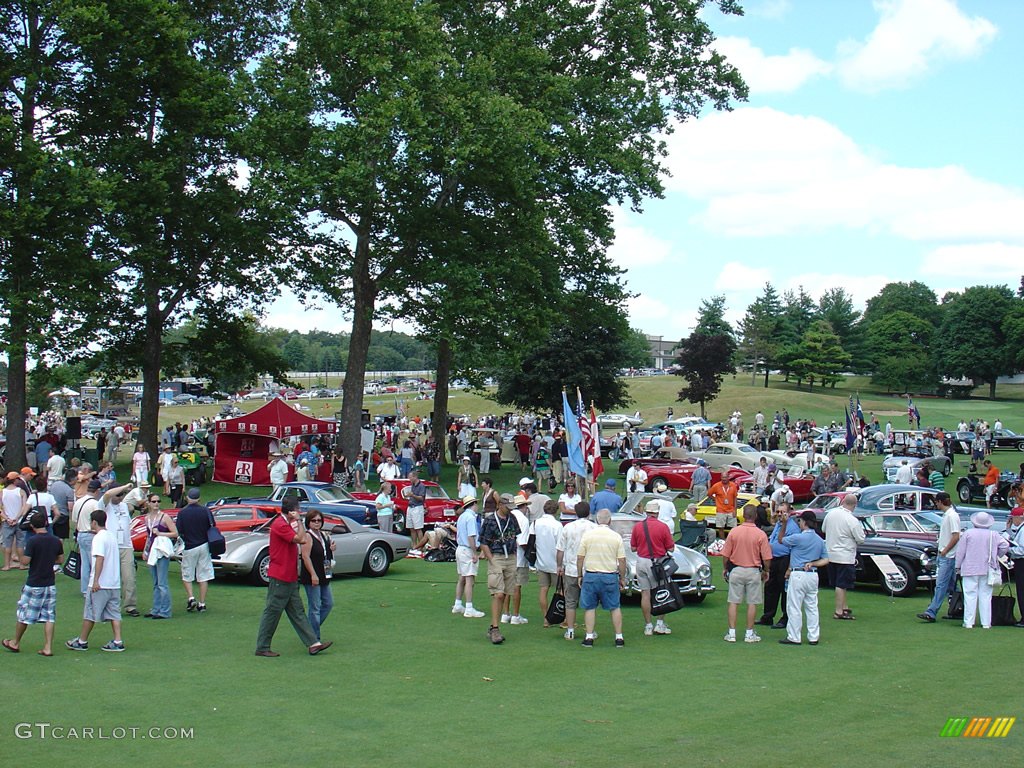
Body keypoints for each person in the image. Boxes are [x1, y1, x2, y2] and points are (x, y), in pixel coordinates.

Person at [255, 497, 332, 656]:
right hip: (280, 577)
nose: (299, 512)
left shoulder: (285, 524)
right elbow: (302, 539)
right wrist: (301, 522)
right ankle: (262, 647)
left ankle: (313, 643)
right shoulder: (280, 525)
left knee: (297, 612)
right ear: (291, 511)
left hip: (289, 577)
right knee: (272, 612)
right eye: (297, 510)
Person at [2, 512, 64, 656]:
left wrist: (22, 552)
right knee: (49, 616)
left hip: (34, 582)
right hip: (49, 583)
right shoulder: (55, 540)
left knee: (24, 613)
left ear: (32, 526)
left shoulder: (33, 541)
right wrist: (48, 560)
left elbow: (25, 561)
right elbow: (60, 560)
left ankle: (15, 642)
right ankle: (48, 647)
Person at [66, 508, 125, 652]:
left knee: (90, 613)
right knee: (114, 613)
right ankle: (118, 640)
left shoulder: (98, 538)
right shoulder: (111, 536)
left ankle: (82, 641)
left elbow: (100, 558)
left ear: (94, 522)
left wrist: (96, 581)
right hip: (114, 583)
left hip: (102, 583)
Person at [721, 505, 772, 643]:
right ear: (755, 516)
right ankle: (749, 633)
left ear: (743, 515)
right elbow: (767, 557)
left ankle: (732, 633)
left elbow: (726, 555)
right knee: (752, 602)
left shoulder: (734, 531)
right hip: (753, 570)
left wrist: (725, 568)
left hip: (736, 570)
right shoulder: (760, 534)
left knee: (733, 601)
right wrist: (766, 570)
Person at [576, 509, 627, 648]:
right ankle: (619, 637)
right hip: (609, 575)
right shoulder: (616, 536)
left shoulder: (588, 535)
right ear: (609, 521)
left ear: (597, 520)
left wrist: (579, 574)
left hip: (591, 574)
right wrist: (622, 578)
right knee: (615, 607)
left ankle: (589, 637)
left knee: (590, 607)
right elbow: (622, 560)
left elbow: (580, 557)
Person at [778, 510, 829, 646]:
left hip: (798, 574)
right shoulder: (819, 540)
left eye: (800, 521)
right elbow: (825, 559)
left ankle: (794, 636)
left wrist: (784, 524)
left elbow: (780, 540)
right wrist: (813, 563)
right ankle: (813, 636)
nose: (799, 523)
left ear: (805, 522)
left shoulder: (798, 538)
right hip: (813, 574)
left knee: (794, 606)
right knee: (812, 606)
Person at [955, 510, 1009, 629]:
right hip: (987, 568)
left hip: (969, 567)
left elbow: (960, 552)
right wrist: (996, 555)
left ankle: (969, 622)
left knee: (970, 595)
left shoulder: (968, 533)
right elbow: (1005, 545)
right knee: (985, 595)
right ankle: (986, 622)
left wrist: (957, 566)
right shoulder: (993, 534)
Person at [478, 496, 522, 644]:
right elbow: (483, 542)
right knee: (498, 593)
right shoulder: (490, 520)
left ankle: (493, 626)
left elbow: (516, 536)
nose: (510, 509)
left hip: (510, 557)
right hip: (496, 556)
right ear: (500, 505)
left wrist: (514, 554)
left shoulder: (512, 518)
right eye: (507, 506)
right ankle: (495, 628)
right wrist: (491, 559)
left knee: (506, 593)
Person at [630, 500, 675, 637]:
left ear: (646, 512)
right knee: (661, 592)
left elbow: (633, 548)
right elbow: (671, 548)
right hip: (658, 563)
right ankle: (659, 624)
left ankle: (648, 625)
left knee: (645, 593)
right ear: (657, 512)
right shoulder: (663, 527)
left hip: (641, 561)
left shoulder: (638, 527)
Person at [916, 492, 961, 623]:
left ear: (940, 502)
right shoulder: (949, 515)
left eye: (937, 502)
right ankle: (957, 608)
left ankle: (932, 611)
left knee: (941, 585)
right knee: (952, 586)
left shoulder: (951, 516)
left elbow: (956, 536)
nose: (936, 504)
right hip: (947, 555)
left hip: (947, 556)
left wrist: (945, 550)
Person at [556, 501, 597, 640]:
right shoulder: (594, 527)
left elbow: (560, 549)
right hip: (590, 569)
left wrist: (559, 566)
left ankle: (571, 630)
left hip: (572, 569)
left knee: (570, 601)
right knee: (589, 602)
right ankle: (589, 631)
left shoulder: (568, 527)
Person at [822, 493, 866, 621]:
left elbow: (824, 529)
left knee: (839, 583)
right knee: (841, 584)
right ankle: (839, 611)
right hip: (845, 555)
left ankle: (844, 606)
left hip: (831, 553)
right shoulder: (851, 519)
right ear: (854, 505)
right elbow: (860, 539)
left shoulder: (830, 514)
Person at [101, 482, 140, 618]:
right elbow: (107, 494)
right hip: (111, 547)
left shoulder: (124, 506)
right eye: (117, 495)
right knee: (111, 578)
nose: (119, 497)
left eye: (122, 495)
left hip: (126, 546)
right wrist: (124, 487)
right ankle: (109, 606)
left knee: (129, 577)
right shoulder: (105, 505)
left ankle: (130, 605)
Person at [760, 501, 799, 629]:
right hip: (774, 559)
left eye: (783, 512)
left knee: (784, 589)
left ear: (789, 513)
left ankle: (785, 618)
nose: (780, 514)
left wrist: (789, 567)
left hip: (785, 559)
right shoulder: (778, 524)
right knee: (770, 587)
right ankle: (767, 616)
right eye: (778, 512)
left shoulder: (792, 527)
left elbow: (794, 548)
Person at [299, 510, 336, 641]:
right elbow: (305, 556)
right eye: (313, 520)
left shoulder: (323, 535)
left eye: (319, 520)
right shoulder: (308, 536)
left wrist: (332, 549)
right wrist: (313, 575)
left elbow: (326, 553)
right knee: (314, 607)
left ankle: (309, 630)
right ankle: (314, 639)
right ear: (308, 522)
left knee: (328, 603)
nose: (316, 523)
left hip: (324, 574)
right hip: (312, 576)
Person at [176, 488, 214, 613]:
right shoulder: (205, 511)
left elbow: (179, 530)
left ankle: (191, 597)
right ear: (199, 498)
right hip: (204, 544)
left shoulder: (182, 513)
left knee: (187, 573)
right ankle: (202, 603)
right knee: (203, 575)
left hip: (189, 545)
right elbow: (212, 526)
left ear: (187, 498)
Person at [141, 493, 178, 619]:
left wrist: (161, 533)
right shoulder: (147, 518)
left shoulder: (165, 517)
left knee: (162, 582)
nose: (156, 503)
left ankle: (165, 611)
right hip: (152, 550)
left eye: (158, 501)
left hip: (162, 550)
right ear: (149, 503)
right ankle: (156, 609)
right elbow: (148, 536)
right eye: (154, 501)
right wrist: (145, 551)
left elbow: (175, 533)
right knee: (156, 582)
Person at [451, 496, 485, 619]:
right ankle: (469, 608)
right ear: (474, 504)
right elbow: (471, 537)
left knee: (462, 578)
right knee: (469, 579)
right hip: (467, 549)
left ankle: (458, 604)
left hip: (460, 549)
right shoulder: (470, 518)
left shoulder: (462, 516)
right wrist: (475, 553)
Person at [534, 499, 563, 626]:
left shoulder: (536, 523)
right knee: (561, 592)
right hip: (555, 563)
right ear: (556, 511)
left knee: (543, 589)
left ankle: (546, 618)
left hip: (541, 561)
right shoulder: (557, 525)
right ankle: (563, 619)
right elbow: (560, 546)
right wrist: (561, 564)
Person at [71, 480, 102, 595]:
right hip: (90, 534)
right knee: (93, 563)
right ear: (97, 490)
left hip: (80, 534)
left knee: (85, 564)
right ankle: (93, 586)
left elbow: (74, 519)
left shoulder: (79, 501)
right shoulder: (95, 503)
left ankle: (85, 589)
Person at [2, 472, 29, 570]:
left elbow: (1, 509)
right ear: (15, 480)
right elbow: (24, 507)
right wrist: (17, 518)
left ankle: (7, 565)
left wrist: (7, 518)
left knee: (7, 543)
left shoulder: (2, 492)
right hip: (19, 521)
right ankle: (22, 564)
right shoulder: (21, 491)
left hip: (7, 521)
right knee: (20, 543)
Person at [1003, 507, 1024, 628]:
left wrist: (1008, 550)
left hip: (1021, 561)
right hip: (1020, 561)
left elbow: (1021, 549)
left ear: (1017, 517)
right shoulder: (1020, 529)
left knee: (1022, 590)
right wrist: (1008, 529)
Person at [707, 471, 740, 540]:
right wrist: (715, 499)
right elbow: (709, 494)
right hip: (720, 510)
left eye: (725, 477)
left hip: (731, 510)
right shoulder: (716, 485)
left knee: (733, 528)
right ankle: (722, 541)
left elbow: (735, 498)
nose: (723, 479)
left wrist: (735, 510)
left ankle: (731, 540)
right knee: (720, 527)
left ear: (728, 477)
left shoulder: (733, 485)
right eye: (722, 477)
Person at [406, 469, 427, 555]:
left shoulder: (421, 486)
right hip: (410, 506)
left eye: (410, 477)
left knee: (418, 528)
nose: (409, 479)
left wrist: (412, 495)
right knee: (411, 528)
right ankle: (414, 545)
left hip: (417, 507)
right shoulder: (412, 485)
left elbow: (421, 498)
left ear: (415, 477)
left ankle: (421, 546)